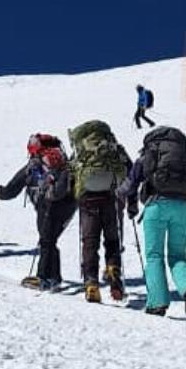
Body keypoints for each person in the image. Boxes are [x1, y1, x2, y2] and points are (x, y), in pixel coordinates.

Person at [122, 126, 186, 317]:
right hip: (182, 209)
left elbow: (132, 183)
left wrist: (129, 203)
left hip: (156, 206)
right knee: (178, 256)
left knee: (154, 256)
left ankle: (157, 303)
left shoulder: (150, 152)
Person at [0, 133, 76, 290]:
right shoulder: (63, 160)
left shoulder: (35, 164)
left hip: (47, 204)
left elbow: (13, 188)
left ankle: (42, 277)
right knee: (50, 240)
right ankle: (54, 277)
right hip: (69, 205)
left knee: (46, 240)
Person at [69, 120, 129, 302]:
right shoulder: (112, 147)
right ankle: (113, 269)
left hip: (87, 201)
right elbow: (128, 168)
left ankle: (91, 283)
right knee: (112, 240)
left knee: (90, 243)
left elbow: (70, 171)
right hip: (109, 199)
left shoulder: (81, 150)